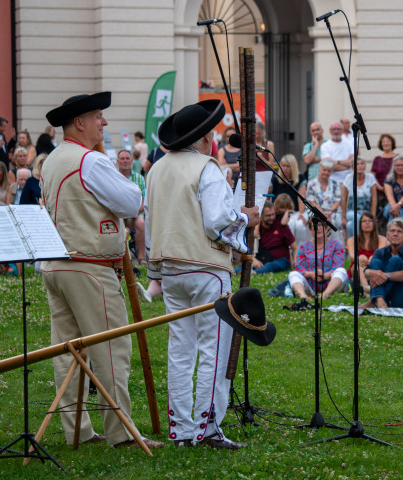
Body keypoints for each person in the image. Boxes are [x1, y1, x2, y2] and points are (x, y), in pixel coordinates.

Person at [40, 91, 161, 449]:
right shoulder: (89, 161)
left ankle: (76, 430)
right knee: (111, 349)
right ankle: (120, 432)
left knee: (68, 351)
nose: (104, 122)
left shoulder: (51, 159)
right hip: (89, 266)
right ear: (79, 123)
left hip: (56, 264)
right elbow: (131, 200)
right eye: (97, 116)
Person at [146, 99, 259, 449]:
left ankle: (181, 429)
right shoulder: (206, 168)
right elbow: (217, 222)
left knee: (180, 348)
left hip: (170, 268)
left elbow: (150, 224)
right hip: (205, 268)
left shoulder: (156, 169)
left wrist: (155, 270)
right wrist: (245, 221)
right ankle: (206, 428)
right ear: (205, 138)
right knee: (214, 348)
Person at [360, 217, 403, 309]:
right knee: (375, 262)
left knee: (395, 260)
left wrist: (385, 275)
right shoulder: (380, 252)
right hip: (386, 298)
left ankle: (374, 301)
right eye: (392, 231)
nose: (395, 234)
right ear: (387, 235)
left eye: (399, 231)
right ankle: (379, 299)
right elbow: (366, 273)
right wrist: (372, 273)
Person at [288, 217, 348, 306]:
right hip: (310, 284)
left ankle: (325, 294)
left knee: (341, 271)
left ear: (326, 228)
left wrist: (325, 275)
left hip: (331, 283)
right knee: (293, 274)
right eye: (314, 226)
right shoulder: (304, 246)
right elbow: (299, 267)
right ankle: (303, 296)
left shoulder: (336, 244)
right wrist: (311, 274)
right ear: (311, 230)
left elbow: (338, 265)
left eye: (321, 225)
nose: (318, 228)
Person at [116, 149, 146, 263]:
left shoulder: (139, 178)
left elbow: (144, 200)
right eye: (122, 159)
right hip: (117, 213)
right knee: (117, 225)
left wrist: (136, 211)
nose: (125, 161)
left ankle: (141, 257)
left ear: (132, 161)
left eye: (127, 158)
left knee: (141, 223)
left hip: (135, 213)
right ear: (118, 161)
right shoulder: (113, 177)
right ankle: (117, 259)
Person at [346, 212, 387, 295]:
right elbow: (352, 256)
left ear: (374, 224)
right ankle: (366, 288)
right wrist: (359, 258)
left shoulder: (382, 239)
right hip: (357, 269)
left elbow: (379, 254)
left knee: (374, 261)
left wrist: (372, 258)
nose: (367, 223)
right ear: (360, 224)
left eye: (370, 221)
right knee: (359, 263)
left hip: (374, 268)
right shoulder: (352, 240)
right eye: (364, 221)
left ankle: (364, 290)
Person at [253, 201, 298, 274]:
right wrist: (254, 260)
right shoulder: (257, 228)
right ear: (261, 216)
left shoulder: (281, 225)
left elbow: (295, 247)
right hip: (263, 258)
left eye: (273, 214)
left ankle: (254, 273)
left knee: (270, 266)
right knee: (244, 266)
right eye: (268, 215)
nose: (272, 217)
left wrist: (295, 263)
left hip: (282, 261)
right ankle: (237, 272)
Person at [341, 157, 377, 240]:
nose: (360, 166)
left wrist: (373, 215)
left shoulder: (370, 178)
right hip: (351, 211)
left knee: (350, 225)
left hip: (366, 211)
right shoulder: (348, 178)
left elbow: (374, 198)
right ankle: (359, 242)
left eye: (362, 164)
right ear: (352, 167)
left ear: (365, 166)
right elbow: (344, 198)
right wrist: (343, 217)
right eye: (357, 164)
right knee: (356, 217)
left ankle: (351, 244)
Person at [299, 160, 342, 232]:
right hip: (315, 210)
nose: (326, 172)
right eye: (324, 170)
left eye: (328, 171)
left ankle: (332, 242)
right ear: (319, 170)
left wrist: (330, 212)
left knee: (335, 220)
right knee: (314, 221)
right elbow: (311, 201)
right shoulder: (311, 183)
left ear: (331, 172)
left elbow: (337, 200)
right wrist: (321, 213)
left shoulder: (335, 183)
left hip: (330, 211)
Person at [371, 134, 398, 222]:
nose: (386, 143)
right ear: (381, 144)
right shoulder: (377, 159)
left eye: (388, 141)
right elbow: (373, 176)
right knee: (380, 217)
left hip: (395, 192)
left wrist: (390, 189)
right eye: (384, 142)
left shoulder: (398, 157)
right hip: (380, 193)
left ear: (392, 143)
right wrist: (380, 187)